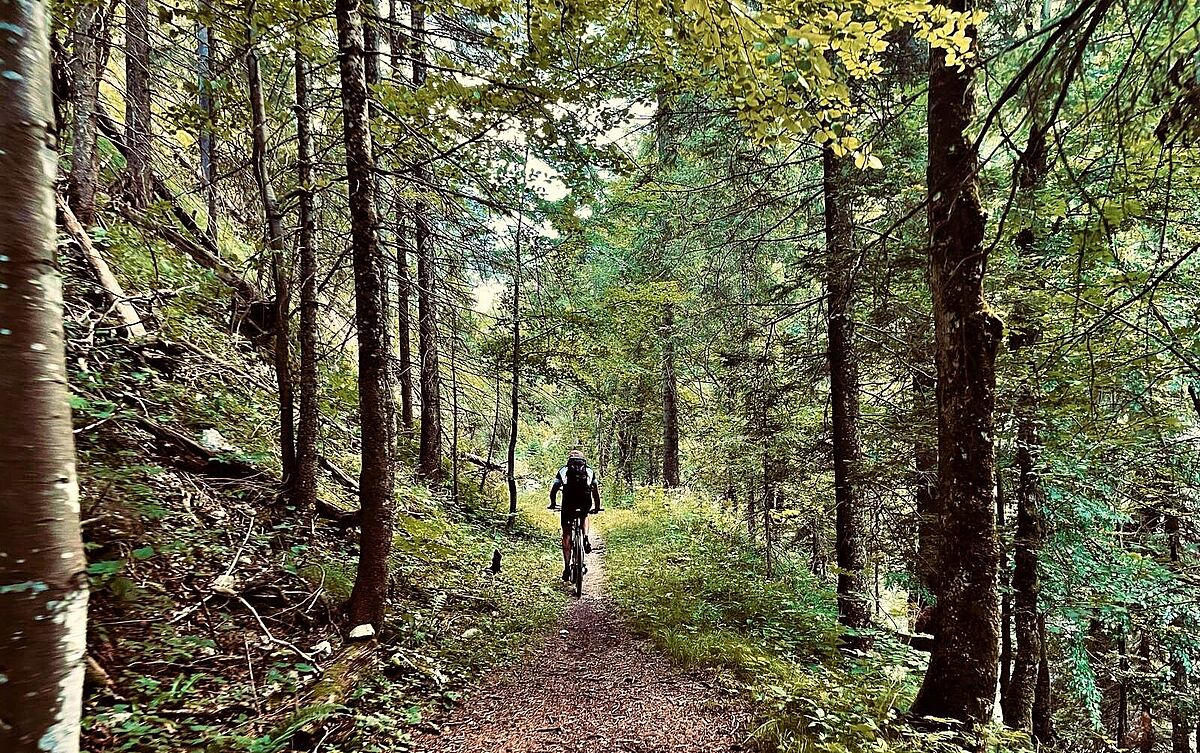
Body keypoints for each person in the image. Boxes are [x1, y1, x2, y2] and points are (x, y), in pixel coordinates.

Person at [547, 449, 602, 581]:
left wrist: (553, 503)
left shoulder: (564, 470)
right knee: (584, 516)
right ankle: (586, 537)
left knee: (566, 533)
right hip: (584, 502)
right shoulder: (589, 471)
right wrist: (597, 507)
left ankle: (567, 567)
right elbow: (595, 490)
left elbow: (555, 487)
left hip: (568, 504)